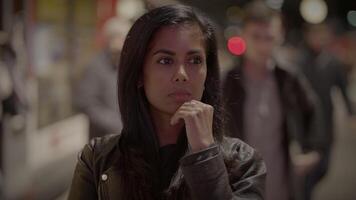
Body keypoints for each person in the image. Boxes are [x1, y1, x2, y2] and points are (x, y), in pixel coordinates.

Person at [68, 4, 266, 200]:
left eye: (195, 60)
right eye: (165, 61)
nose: (181, 75)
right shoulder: (98, 160)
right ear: (139, 74)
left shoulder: (243, 161)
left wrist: (205, 154)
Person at [222, 1, 321, 200]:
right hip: (241, 185)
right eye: (256, 37)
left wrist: (314, 150)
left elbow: (313, 109)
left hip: (283, 182)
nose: (262, 44)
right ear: (243, 36)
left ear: (280, 36)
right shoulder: (228, 81)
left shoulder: (288, 77)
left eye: (269, 37)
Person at [297, 22, 355, 200]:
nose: (318, 40)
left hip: (326, 120)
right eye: (314, 35)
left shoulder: (333, 62)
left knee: (324, 166)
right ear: (307, 37)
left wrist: (351, 113)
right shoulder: (301, 62)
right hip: (305, 122)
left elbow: (343, 89)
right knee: (308, 169)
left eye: (321, 36)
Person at [74, 17, 131, 139]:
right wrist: (115, 123)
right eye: (114, 37)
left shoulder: (128, 64)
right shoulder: (95, 66)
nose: (118, 42)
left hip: (127, 138)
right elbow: (85, 103)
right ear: (107, 39)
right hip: (104, 140)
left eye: (122, 37)